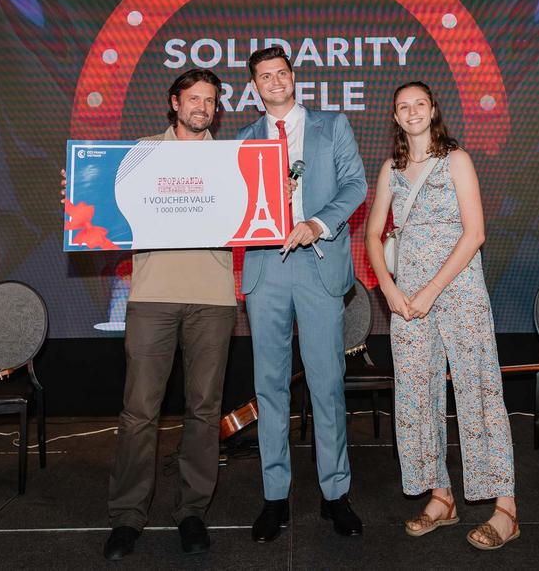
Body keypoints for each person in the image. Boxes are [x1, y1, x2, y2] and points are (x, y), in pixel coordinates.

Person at [72, 69, 238, 561]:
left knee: (204, 411)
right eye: (194, 98)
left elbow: (256, 213)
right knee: (139, 412)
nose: (202, 107)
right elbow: (101, 209)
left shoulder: (234, 160)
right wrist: (80, 191)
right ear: (174, 103)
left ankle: (192, 511)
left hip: (213, 298)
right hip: (151, 297)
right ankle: (127, 516)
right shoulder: (139, 154)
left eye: (210, 101)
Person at [364, 81, 519, 551]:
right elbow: (373, 235)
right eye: (403, 106)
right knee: (415, 395)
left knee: (479, 389)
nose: (412, 112)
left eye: (419, 104)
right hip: (407, 302)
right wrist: (389, 289)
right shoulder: (391, 169)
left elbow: (475, 234)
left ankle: (506, 509)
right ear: (395, 116)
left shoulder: (457, 160)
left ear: (433, 110)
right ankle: (441, 497)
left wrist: (432, 290)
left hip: (459, 291)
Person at [233, 46, 368, 542]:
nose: (274, 82)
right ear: (254, 87)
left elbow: (355, 185)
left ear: (293, 78)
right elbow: (231, 205)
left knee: (326, 384)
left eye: (281, 73)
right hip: (265, 267)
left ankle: (335, 495)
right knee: (269, 387)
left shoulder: (332, 126)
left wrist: (317, 223)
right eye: (264, 76)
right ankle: (275, 498)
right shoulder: (243, 140)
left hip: (317, 263)